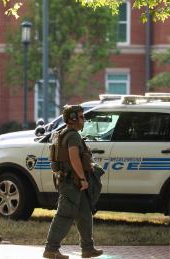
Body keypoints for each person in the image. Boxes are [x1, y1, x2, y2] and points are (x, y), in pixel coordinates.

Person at [43, 105, 103, 259]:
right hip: (72, 183)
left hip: (70, 181)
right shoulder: (73, 136)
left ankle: (88, 248)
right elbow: (74, 158)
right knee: (64, 214)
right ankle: (51, 249)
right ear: (73, 119)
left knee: (84, 214)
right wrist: (83, 178)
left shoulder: (62, 133)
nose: (84, 120)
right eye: (82, 117)